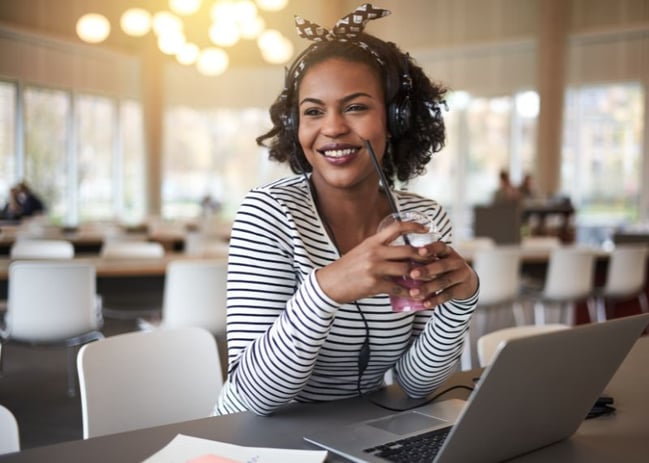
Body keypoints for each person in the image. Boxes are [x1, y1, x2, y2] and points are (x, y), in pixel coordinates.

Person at [214, 3, 479, 416]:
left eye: (355, 107)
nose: (333, 127)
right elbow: (253, 397)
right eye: (313, 111)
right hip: (256, 441)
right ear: (294, 126)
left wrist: (460, 300)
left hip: (357, 434)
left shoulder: (422, 221)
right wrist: (328, 289)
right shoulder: (268, 213)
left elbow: (415, 384)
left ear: (394, 119)